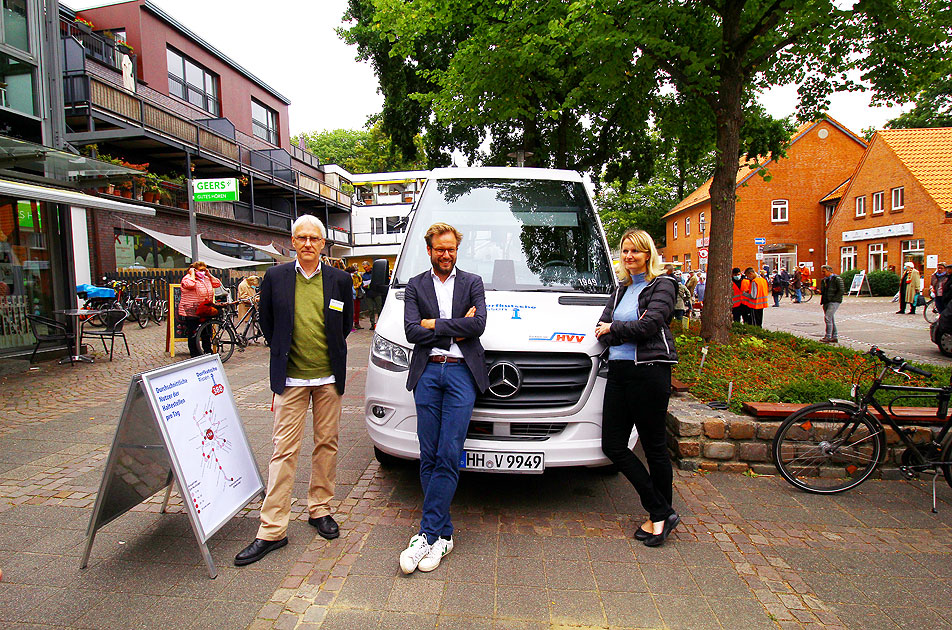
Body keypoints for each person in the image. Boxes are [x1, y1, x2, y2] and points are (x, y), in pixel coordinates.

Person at [235, 215, 354, 566]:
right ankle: (272, 530)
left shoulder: (339, 280)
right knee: (283, 451)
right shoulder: (275, 278)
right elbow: (268, 324)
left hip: (328, 378)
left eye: (313, 238)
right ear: (292, 241)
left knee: (327, 445)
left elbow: (344, 325)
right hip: (290, 379)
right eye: (301, 238)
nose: (307, 244)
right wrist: (285, 353)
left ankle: (319, 509)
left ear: (322, 243)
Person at [399, 223, 488, 574]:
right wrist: (454, 324)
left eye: (451, 249)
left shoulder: (472, 283)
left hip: (462, 373)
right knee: (429, 454)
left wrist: (434, 325)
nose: (446, 254)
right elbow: (410, 330)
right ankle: (444, 535)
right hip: (428, 373)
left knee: (449, 452)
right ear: (430, 250)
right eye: (440, 249)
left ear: (457, 250)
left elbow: (478, 325)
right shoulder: (415, 285)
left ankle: (427, 534)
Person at [595, 228, 680, 547]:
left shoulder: (664, 285)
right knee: (613, 446)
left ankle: (659, 518)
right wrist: (616, 330)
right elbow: (600, 330)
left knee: (654, 446)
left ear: (649, 254)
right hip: (618, 372)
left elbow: (649, 326)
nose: (629, 256)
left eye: (636, 251)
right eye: (625, 251)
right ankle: (661, 509)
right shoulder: (621, 290)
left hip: (649, 372)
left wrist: (615, 329)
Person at [179, 261, 222, 357]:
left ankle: (207, 351)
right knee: (193, 333)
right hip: (192, 310)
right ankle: (195, 354)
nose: (203, 272)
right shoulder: (187, 279)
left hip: (205, 309)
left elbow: (217, 284)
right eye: (201, 270)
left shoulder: (206, 278)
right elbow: (190, 285)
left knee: (207, 332)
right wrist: (192, 274)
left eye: (204, 269)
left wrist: (209, 274)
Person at [819, 264, 844, 343]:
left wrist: (834, 299)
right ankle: (834, 336)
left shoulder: (837, 279)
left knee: (828, 318)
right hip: (826, 301)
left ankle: (828, 336)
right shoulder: (824, 280)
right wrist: (820, 291)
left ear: (829, 271)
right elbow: (823, 291)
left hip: (833, 301)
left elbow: (841, 290)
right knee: (831, 319)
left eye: (824, 271)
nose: (823, 273)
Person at [362, 260, 383, 329]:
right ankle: (372, 324)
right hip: (369, 294)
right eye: (364, 268)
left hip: (377, 293)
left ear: (369, 266)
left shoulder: (375, 273)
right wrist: (364, 286)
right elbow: (362, 284)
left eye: (366, 267)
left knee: (379, 309)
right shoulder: (364, 275)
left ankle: (380, 323)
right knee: (371, 310)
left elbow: (379, 282)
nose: (365, 269)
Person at [347, 264, 363, 330]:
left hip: (357, 295)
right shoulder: (349, 277)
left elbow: (360, 282)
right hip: (351, 295)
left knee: (357, 310)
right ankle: (351, 324)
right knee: (351, 311)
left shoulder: (358, 276)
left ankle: (356, 323)